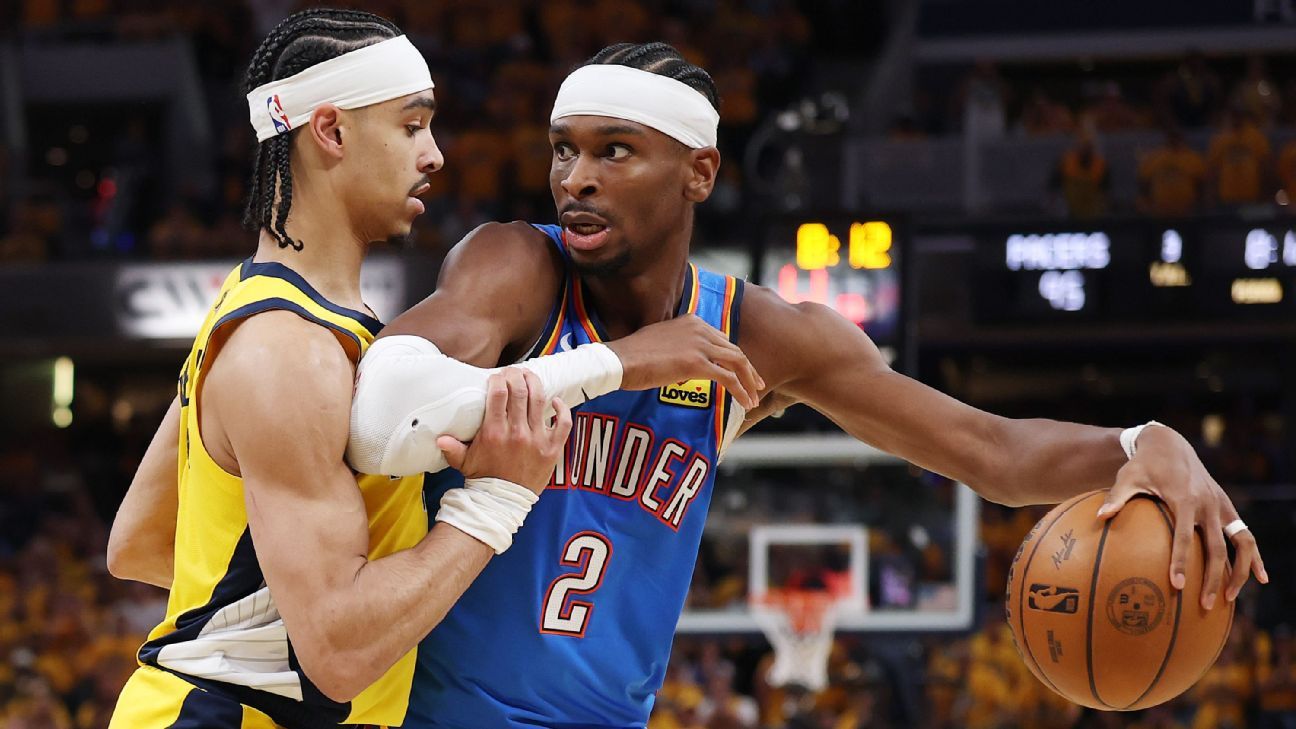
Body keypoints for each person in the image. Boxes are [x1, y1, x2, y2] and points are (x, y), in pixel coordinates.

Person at [343, 43, 1267, 727]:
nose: (575, 179)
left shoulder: (762, 334)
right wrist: (627, 362)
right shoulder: (516, 267)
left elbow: (992, 452)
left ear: (699, 171)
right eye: (563, 150)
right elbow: (380, 406)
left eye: (615, 152)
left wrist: (1144, 442)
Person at [102, 9, 581, 728]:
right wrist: (495, 501)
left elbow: (139, 541)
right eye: (412, 125)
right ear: (330, 130)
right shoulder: (287, 351)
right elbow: (339, 653)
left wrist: (300, 590)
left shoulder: (253, 308)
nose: (435, 155)